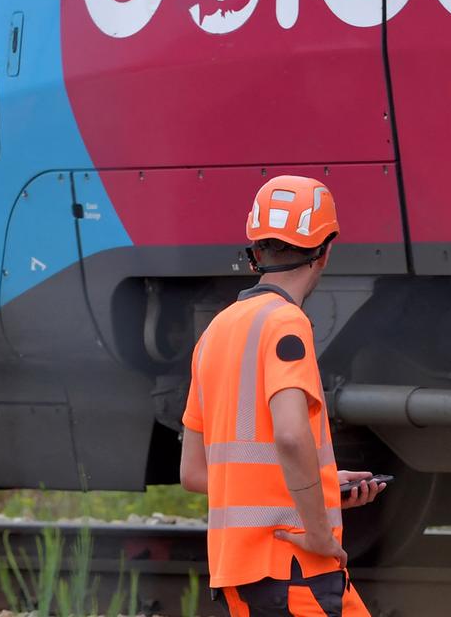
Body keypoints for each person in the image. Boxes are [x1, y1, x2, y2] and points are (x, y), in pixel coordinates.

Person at [180, 175, 387, 616]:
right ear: (325, 251)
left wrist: (326, 482)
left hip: (238, 573)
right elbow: (291, 436)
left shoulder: (215, 332)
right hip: (295, 567)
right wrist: (317, 530)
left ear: (256, 251)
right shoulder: (286, 323)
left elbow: (195, 472)